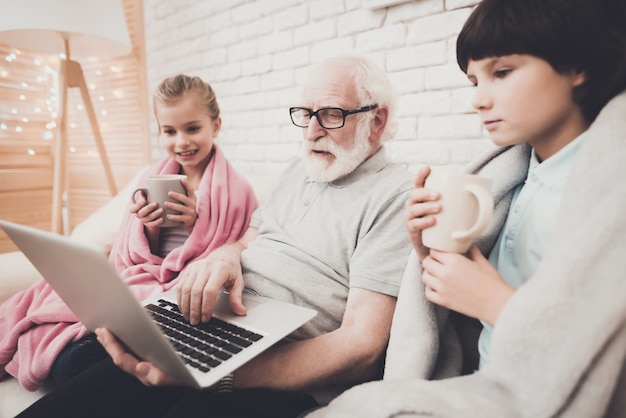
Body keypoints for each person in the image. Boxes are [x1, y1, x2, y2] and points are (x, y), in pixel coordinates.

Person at [17, 54, 415, 418]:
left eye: (330, 115)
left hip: (275, 367)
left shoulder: (396, 195)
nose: (310, 132)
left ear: (376, 120)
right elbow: (247, 238)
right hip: (212, 325)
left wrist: (221, 374)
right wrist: (223, 256)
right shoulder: (301, 170)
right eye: (305, 114)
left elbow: (363, 346)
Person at [306, 0, 626, 416]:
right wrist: (431, 249)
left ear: (578, 66)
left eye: (502, 72)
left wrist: (491, 301)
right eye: (474, 81)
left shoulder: (608, 191)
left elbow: (600, 354)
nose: (478, 100)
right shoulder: (519, 174)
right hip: (481, 381)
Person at [0, 74, 258, 390]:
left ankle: (80, 353)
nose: (181, 141)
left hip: (175, 284)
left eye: (193, 128)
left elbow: (228, 254)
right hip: (142, 274)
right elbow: (134, 252)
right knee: (45, 298)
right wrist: (148, 227)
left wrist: (195, 223)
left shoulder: (237, 190)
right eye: (169, 131)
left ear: (215, 126)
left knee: (73, 365)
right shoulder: (152, 177)